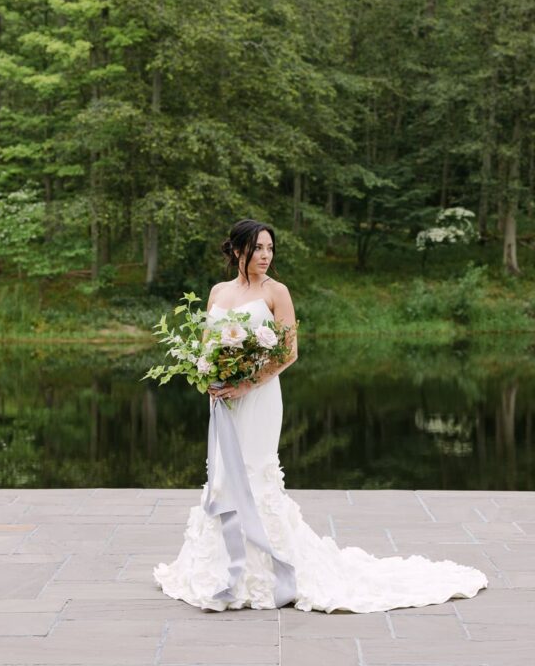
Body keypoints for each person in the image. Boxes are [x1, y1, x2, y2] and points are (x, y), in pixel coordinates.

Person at [152, 218, 489, 613]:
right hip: (222, 400)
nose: (265, 255)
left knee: (255, 470)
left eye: (270, 249)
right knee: (224, 473)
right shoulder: (217, 291)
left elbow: (287, 352)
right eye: (258, 248)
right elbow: (208, 345)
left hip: (258, 397)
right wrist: (210, 375)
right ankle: (223, 566)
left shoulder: (277, 292)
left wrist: (246, 383)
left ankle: (269, 570)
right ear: (238, 250)